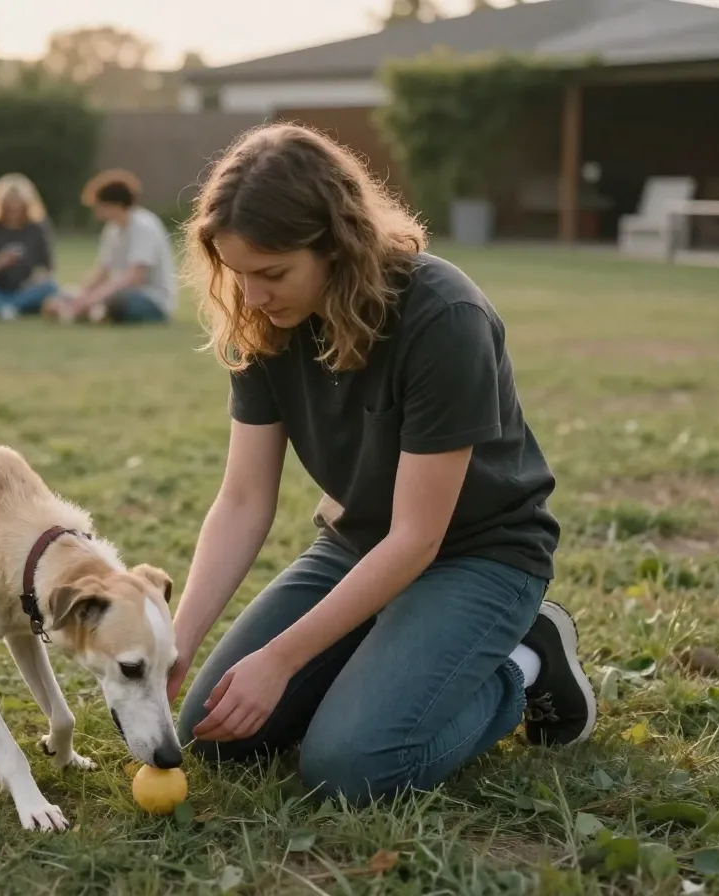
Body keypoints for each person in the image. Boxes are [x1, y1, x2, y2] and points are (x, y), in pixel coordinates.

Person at [167, 123, 597, 807]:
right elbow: (245, 500)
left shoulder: (442, 316)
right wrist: (177, 638)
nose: (250, 298)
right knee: (213, 732)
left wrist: (282, 659)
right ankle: (383, 667)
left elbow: (418, 537)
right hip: (355, 545)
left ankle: (525, 660)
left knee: (350, 766)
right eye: (237, 274)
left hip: (477, 555)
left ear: (336, 245)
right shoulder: (261, 322)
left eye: (271, 274)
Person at [44, 169, 177, 325]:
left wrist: (94, 298)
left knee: (115, 303)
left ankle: (94, 312)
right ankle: (90, 312)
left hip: (149, 299)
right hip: (116, 292)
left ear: (113, 205)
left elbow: (135, 278)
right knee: (64, 295)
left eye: (99, 206)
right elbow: (103, 270)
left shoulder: (144, 226)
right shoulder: (112, 229)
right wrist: (83, 295)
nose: (96, 212)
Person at [0, 174, 58, 320]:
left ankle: (3, 308)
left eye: (18, 209)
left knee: (50, 286)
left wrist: (37, 278)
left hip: (24, 289)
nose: (13, 213)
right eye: (9, 209)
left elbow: (47, 268)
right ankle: (8, 307)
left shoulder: (37, 228)